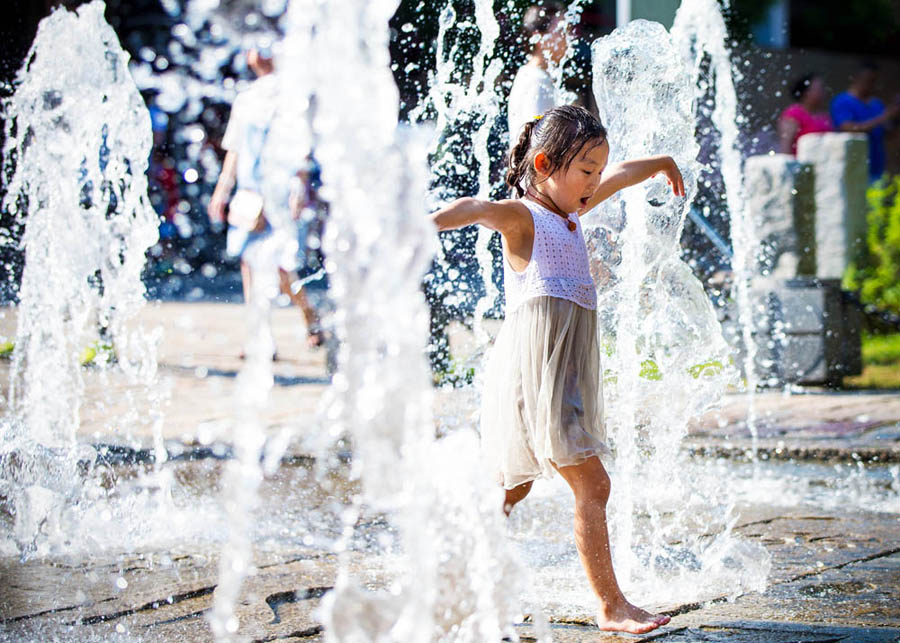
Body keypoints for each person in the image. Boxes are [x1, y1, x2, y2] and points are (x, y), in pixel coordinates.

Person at [430, 105, 684, 634]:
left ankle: (449, 578)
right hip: (533, 380)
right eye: (586, 171)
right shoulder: (526, 219)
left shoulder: (573, 213)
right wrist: (424, 227)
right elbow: (478, 207)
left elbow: (622, 175)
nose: (596, 182)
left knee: (511, 487)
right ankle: (611, 605)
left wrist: (659, 162)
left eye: (598, 170)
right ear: (545, 165)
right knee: (593, 486)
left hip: (558, 381)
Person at [207, 47, 324, 350]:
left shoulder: (294, 94)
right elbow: (234, 148)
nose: (259, 54)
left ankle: (308, 313)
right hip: (249, 191)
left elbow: (303, 147)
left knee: (281, 267)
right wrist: (223, 189)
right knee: (249, 262)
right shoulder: (246, 98)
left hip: (281, 192)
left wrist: (299, 189)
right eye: (254, 49)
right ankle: (260, 338)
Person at [507, 2, 568, 141]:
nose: (568, 39)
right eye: (561, 31)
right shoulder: (538, 81)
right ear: (540, 38)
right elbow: (537, 142)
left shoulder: (528, 74)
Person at [830, 61, 900, 182]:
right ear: (856, 78)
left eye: (874, 81)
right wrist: (884, 116)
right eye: (868, 80)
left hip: (877, 169)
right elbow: (848, 128)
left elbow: (888, 133)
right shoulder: (842, 101)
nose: (871, 85)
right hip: (852, 170)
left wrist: (895, 115)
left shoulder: (876, 104)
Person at [778, 73, 832, 155]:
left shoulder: (824, 116)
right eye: (820, 88)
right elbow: (786, 145)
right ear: (807, 92)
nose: (824, 92)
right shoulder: (793, 114)